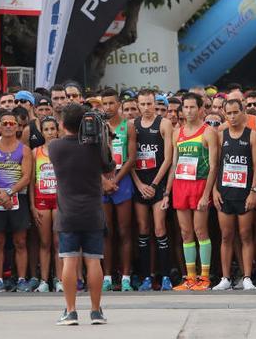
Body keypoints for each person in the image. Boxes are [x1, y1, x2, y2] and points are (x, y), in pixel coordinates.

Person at [49, 103, 111, 326]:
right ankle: (95, 311)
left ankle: (71, 310)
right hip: (93, 212)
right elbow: (109, 166)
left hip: (68, 214)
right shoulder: (94, 147)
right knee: (94, 262)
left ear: (63, 124)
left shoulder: (54, 147)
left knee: (69, 261)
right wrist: (104, 137)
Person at [169, 93, 219, 291]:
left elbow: (214, 167)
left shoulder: (208, 132)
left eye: (192, 107)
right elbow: (174, 164)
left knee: (200, 231)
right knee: (185, 232)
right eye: (185, 107)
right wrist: (167, 192)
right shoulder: (177, 133)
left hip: (200, 185)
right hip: (181, 185)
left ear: (200, 109)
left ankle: (204, 278)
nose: (188, 111)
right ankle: (190, 278)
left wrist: (206, 194)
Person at [0, 110, 34, 293]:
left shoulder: (25, 150)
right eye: (5, 123)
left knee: (20, 241)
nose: (9, 126)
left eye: (12, 123)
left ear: (18, 127)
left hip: (18, 198)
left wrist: (10, 193)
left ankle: (21, 280)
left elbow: (27, 177)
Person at [211, 99, 256, 292]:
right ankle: (225, 278)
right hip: (225, 193)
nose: (232, 116)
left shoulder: (252, 135)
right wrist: (214, 190)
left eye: (235, 112)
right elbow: (215, 165)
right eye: (228, 113)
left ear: (242, 113)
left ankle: (247, 277)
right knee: (226, 236)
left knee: (246, 236)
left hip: (245, 193)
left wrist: (253, 192)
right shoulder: (220, 135)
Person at [131, 89, 174, 292]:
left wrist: (155, 185)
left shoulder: (164, 123)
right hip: (140, 183)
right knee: (143, 230)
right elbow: (129, 159)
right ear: (138, 105)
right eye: (143, 104)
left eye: (150, 104)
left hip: (158, 184)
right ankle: (146, 276)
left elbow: (168, 159)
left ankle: (165, 276)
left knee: (159, 228)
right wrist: (139, 185)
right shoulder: (133, 125)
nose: (147, 108)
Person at [99, 88, 136, 292]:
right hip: (103, 182)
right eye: (105, 103)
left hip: (122, 181)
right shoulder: (98, 127)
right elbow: (92, 157)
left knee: (124, 231)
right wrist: (104, 181)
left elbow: (131, 158)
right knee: (106, 232)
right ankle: (106, 276)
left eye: (112, 103)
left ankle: (126, 277)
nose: (108, 107)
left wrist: (115, 180)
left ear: (118, 104)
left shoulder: (128, 126)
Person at [30, 117, 62, 293]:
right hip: (41, 200)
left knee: (58, 242)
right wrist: (32, 206)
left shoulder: (63, 151)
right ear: (42, 132)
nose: (50, 132)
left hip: (58, 201)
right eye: (46, 129)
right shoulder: (35, 152)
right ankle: (44, 280)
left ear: (57, 130)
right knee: (44, 242)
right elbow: (30, 181)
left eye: (52, 129)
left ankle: (59, 279)